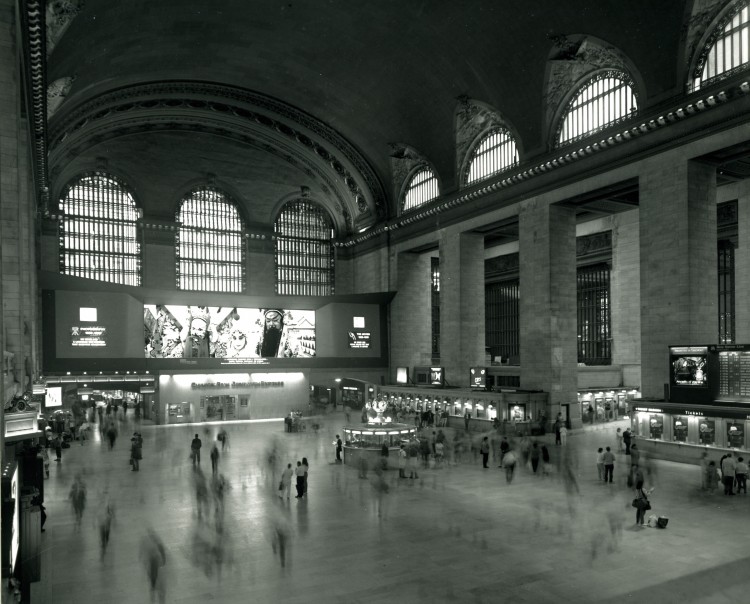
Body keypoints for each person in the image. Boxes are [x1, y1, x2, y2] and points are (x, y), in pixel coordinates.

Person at [140, 528, 167, 603]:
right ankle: (155, 599)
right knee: (157, 589)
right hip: (155, 571)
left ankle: (154, 599)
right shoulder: (156, 547)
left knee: (154, 588)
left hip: (155, 570)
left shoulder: (155, 546)